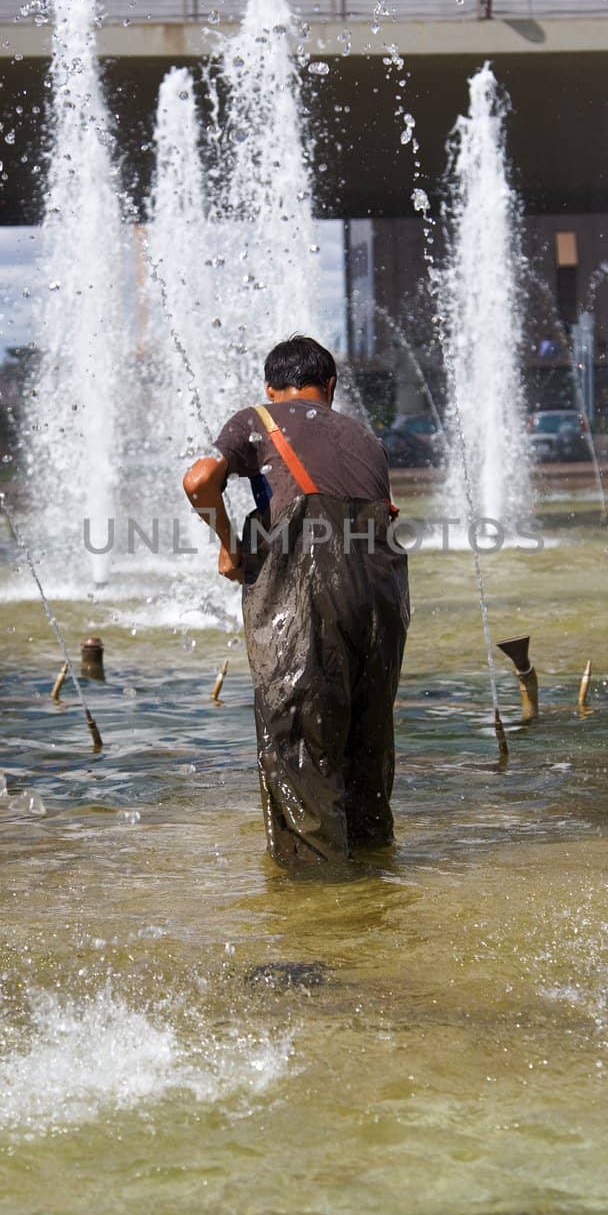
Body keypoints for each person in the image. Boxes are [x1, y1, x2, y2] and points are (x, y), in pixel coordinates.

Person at [183, 336, 410, 869]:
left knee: (299, 743)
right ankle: (379, 880)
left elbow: (199, 481)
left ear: (270, 388)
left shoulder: (257, 418)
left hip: (309, 593)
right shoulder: (365, 437)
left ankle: (316, 911)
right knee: (367, 749)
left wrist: (227, 547)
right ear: (330, 387)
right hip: (384, 601)